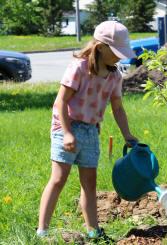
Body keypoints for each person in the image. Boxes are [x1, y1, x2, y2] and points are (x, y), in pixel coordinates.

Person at [36, 21, 138, 240]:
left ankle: (93, 230)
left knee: (89, 183)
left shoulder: (115, 76)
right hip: (66, 126)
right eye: (117, 52)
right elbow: (61, 102)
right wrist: (67, 133)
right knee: (59, 178)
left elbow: (118, 108)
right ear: (100, 47)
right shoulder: (79, 67)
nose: (121, 57)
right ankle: (42, 231)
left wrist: (127, 135)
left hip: (91, 131)